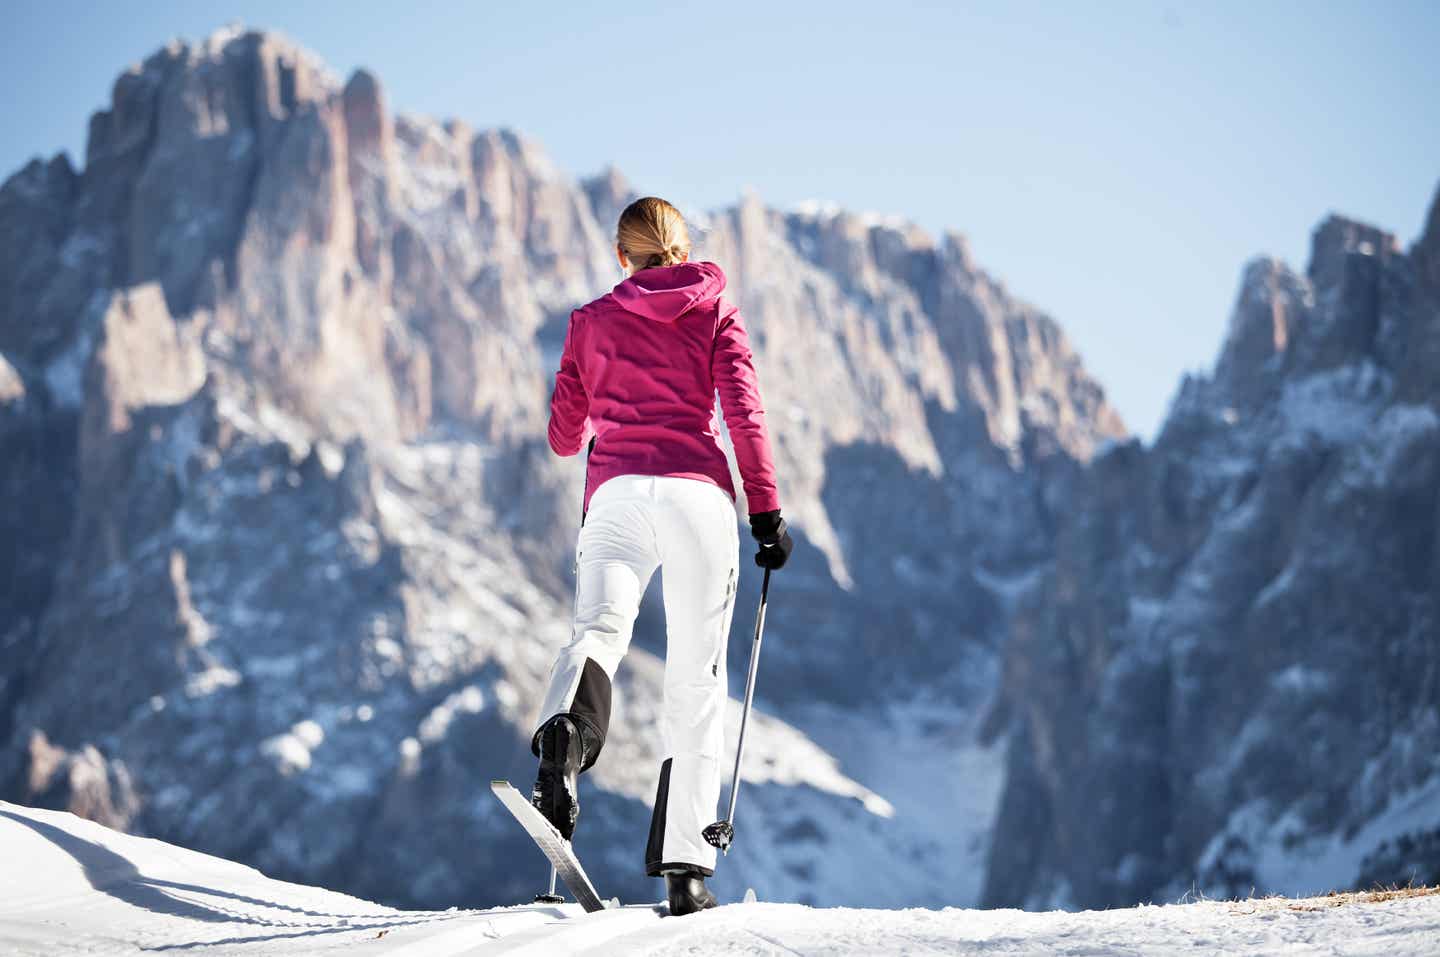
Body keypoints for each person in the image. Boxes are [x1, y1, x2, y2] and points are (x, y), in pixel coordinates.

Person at [530, 196, 794, 916]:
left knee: (599, 634)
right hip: (697, 502)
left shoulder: (590, 320)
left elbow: (562, 436)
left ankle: (565, 737)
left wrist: (593, 388)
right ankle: (685, 868)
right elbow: (743, 413)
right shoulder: (715, 311)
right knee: (696, 678)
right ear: (680, 249)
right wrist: (766, 512)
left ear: (624, 255)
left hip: (615, 497)